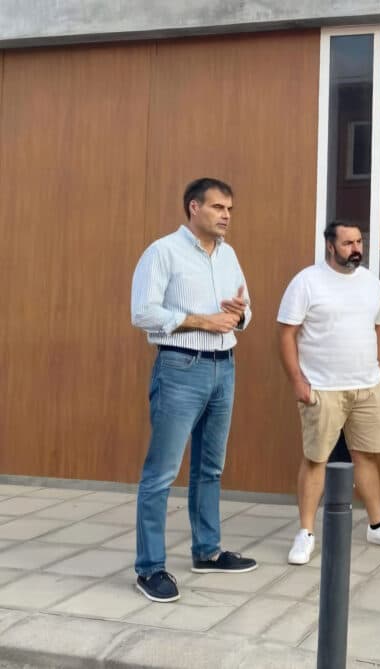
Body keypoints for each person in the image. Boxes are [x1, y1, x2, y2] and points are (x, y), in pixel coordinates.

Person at [130, 177, 257, 603]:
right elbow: (142, 312)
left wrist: (239, 315)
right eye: (218, 207)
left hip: (224, 367)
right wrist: (204, 320)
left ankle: (207, 551)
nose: (226, 216)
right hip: (180, 367)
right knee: (161, 473)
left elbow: (246, 311)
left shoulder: (228, 255)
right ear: (193, 207)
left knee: (210, 468)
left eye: (230, 209)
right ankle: (149, 568)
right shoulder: (162, 251)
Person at [278, 221, 380, 565]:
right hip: (323, 389)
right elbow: (286, 334)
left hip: (368, 386)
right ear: (330, 245)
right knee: (316, 459)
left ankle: (377, 525)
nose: (356, 249)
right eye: (348, 243)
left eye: (358, 242)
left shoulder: (370, 282)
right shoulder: (307, 282)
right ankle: (306, 533)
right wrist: (297, 381)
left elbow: (378, 326)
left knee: (366, 457)